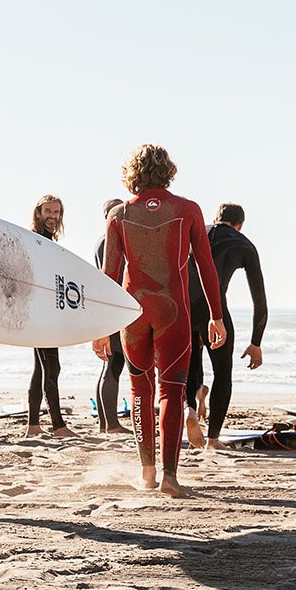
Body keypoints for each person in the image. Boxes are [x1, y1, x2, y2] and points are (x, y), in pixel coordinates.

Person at [98, 144, 223, 498]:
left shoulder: (119, 215)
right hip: (174, 311)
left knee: (140, 389)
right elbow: (206, 267)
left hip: (133, 313)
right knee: (172, 390)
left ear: (131, 173)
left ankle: (147, 473)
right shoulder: (188, 210)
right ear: (168, 170)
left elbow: (109, 275)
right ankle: (170, 476)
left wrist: (101, 328)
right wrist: (215, 316)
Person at [184, 203, 269, 449]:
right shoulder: (245, 244)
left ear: (216, 219)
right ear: (240, 225)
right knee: (222, 373)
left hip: (184, 309)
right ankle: (213, 440)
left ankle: (189, 410)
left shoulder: (195, 233)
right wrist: (255, 343)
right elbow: (260, 301)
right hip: (215, 312)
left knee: (189, 367)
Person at [22, 195, 77, 437]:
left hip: (42, 311)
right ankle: (58, 426)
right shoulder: (37, 240)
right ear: (38, 213)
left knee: (40, 369)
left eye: (56, 212)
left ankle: (33, 426)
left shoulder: (48, 240)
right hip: (40, 313)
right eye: (48, 211)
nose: (52, 216)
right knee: (52, 366)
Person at [90, 198, 129, 434]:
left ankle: (105, 424)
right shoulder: (109, 241)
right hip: (115, 309)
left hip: (108, 309)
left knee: (109, 365)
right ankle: (111, 425)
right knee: (114, 364)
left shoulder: (101, 241)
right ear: (107, 216)